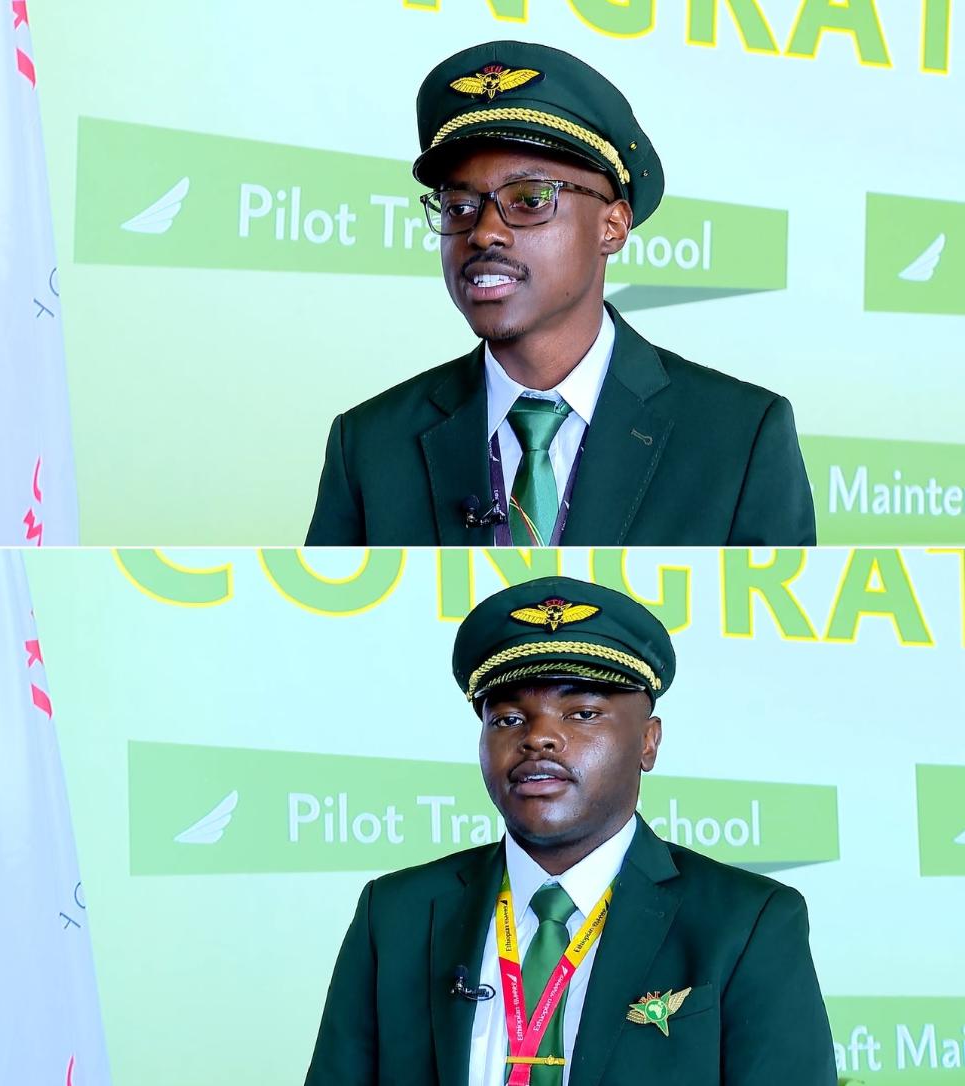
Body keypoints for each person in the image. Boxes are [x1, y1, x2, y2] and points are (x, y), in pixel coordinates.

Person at [305, 576, 837, 1085]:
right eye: (508, 719)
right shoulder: (394, 915)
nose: (539, 738)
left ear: (648, 742)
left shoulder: (748, 922)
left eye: (581, 713)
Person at [306, 41, 816, 547]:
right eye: (459, 206)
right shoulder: (369, 445)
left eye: (529, 200)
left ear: (613, 226)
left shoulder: (741, 438)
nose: (484, 232)